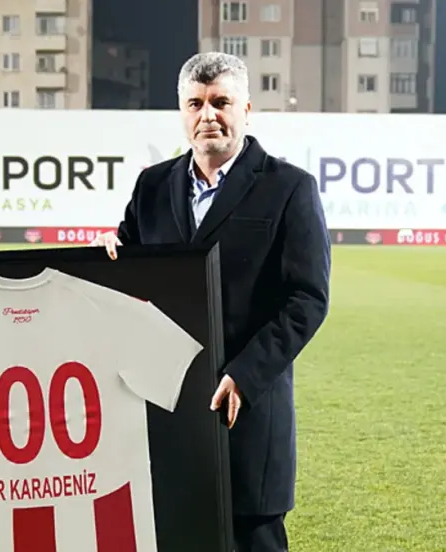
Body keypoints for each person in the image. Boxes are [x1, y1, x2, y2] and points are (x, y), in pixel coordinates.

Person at [91, 52, 331, 551]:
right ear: (182, 111)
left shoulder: (289, 188)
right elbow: (131, 268)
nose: (208, 116)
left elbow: (307, 298)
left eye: (221, 102)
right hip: (167, 408)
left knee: (254, 537)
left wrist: (245, 374)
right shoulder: (153, 185)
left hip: (248, 411)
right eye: (195, 104)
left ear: (247, 109)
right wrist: (112, 254)